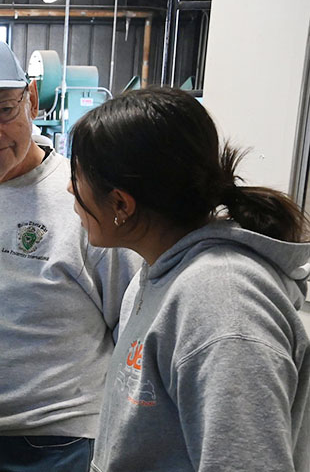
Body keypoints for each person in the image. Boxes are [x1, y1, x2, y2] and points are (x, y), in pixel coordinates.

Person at [0, 36, 139, 471]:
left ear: (32, 100)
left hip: (53, 446)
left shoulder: (86, 200)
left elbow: (132, 328)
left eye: (4, 110)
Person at [69, 86, 310, 471]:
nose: (70, 188)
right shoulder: (157, 274)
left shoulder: (223, 304)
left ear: (120, 204)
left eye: (78, 176)